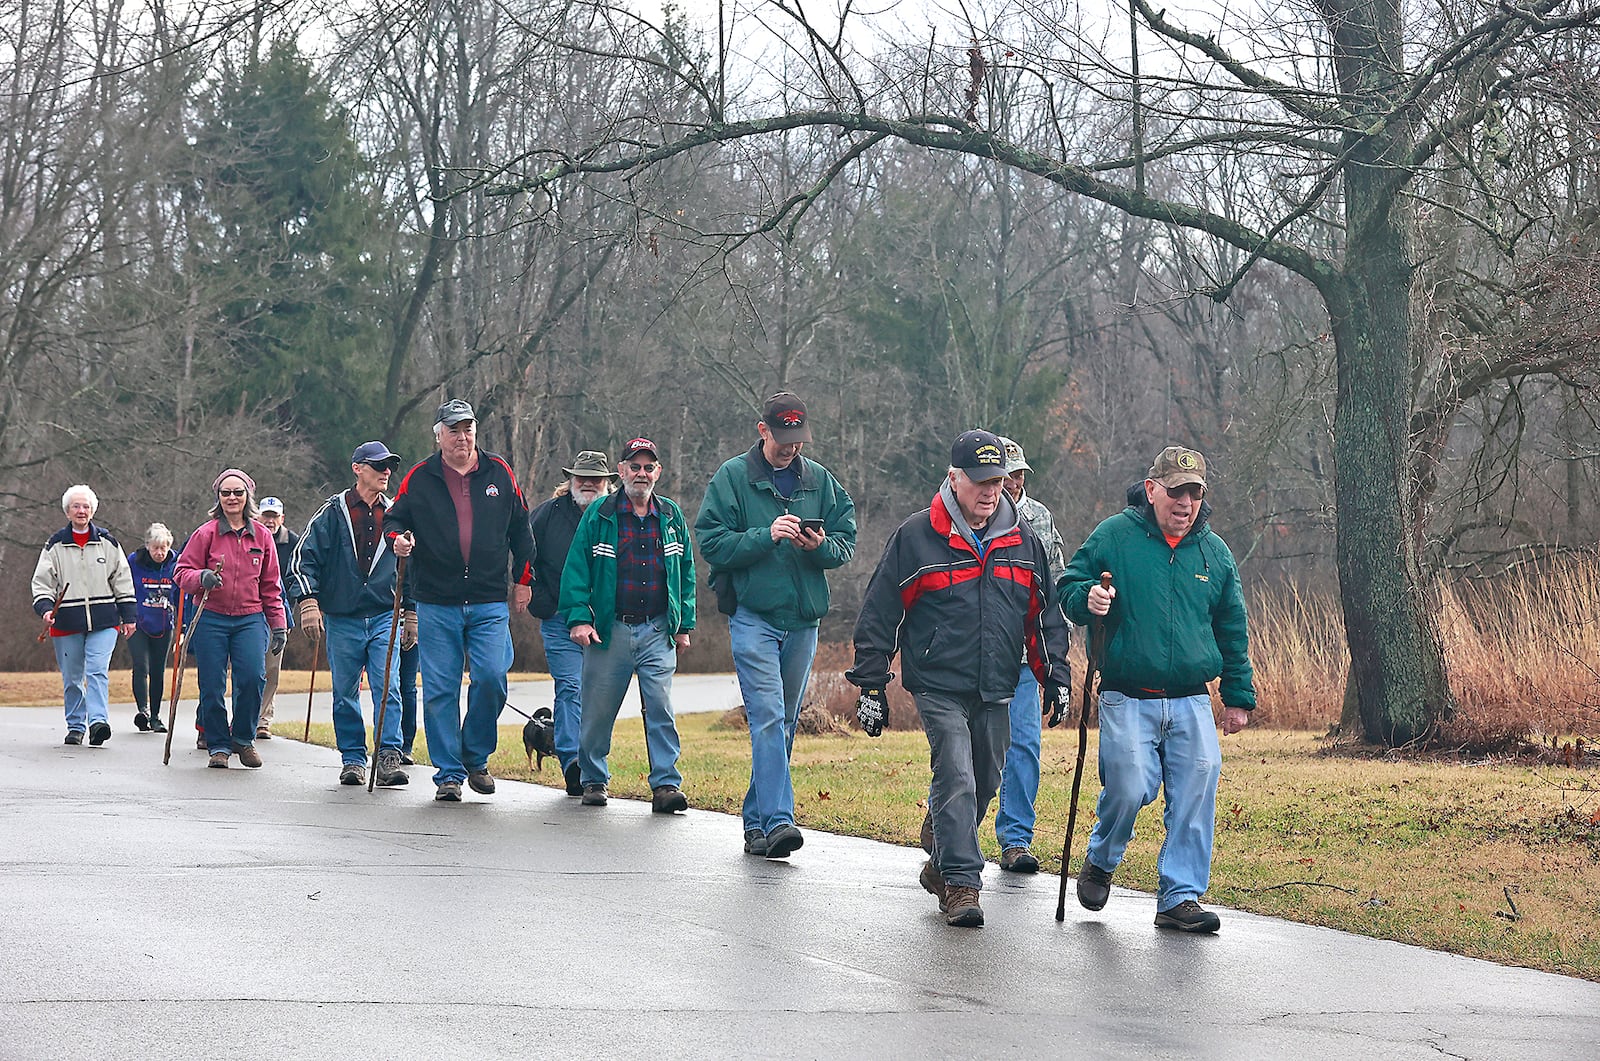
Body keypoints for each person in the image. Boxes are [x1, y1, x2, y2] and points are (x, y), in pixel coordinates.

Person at [847, 430, 1071, 927]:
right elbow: (880, 611)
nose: (991, 492)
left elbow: (1044, 616)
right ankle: (962, 886)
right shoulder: (916, 536)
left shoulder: (1024, 539)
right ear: (954, 478)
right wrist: (871, 684)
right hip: (938, 681)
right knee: (957, 772)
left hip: (996, 683)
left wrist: (1055, 675)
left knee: (987, 777)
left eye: (997, 481)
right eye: (980, 482)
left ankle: (941, 854)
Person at [1059, 445, 1256, 934]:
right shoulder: (1116, 536)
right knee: (1128, 786)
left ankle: (1179, 897)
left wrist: (1237, 696)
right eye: (1176, 492)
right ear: (1152, 490)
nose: (1185, 503)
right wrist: (1088, 598)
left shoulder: (1214, 551)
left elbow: (1232, 625)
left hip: (1191, 695)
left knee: (1198, 784)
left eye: (1194, 493)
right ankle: (1102, 859)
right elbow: (1068, 584)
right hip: (1127, 693)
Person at [695, 392, 857, 858]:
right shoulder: (732, 478)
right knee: (767, 716)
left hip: (803, 620)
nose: (792, 448)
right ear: (762, 430)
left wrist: (818, 547)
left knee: (783, 723)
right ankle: (781, 820)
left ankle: (755, 823)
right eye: (783, 438)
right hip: (753, 616)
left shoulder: (820, 481)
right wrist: (763, 537)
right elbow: (712, 542)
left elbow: (846, 541)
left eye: (799, 439)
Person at [387, 399, 535, 802]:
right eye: (453, 429)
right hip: (437, 600)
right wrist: (398, 540)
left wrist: (523, 579)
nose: (462, 436)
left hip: (488, 599)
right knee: (440, 688)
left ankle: (475, 755)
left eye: (467, 428)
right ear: (438, 435)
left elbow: (521, 528)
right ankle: (449, 773)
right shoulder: (419, 477)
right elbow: (395, 519)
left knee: (491, 677)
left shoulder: (499, 471)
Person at [559, 437, 695, 812]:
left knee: (661, 707)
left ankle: (666, 784)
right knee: (599, 710)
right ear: (621, 472)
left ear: (658, 473)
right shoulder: (600, 514)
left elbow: (685, 574)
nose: (641, 473)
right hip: (609, 630)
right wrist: (579, 618)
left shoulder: (671, 516)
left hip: (657, 630)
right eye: (634, 466)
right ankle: (593, 778)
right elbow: (576, 569)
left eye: (648, 467)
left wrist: (683, 624)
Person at [287, 442, 411, 788]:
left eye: (390, 466)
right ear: (358, 468)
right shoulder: (332, 513)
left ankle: (387, 755)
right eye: (379, 466)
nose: (387, 472)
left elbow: (412, 567)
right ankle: (353, 757)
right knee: (345, 691)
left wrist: (411, 612)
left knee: (389, 687)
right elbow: (302, 559)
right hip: (343, 617)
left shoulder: (397, 514)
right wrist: (308, 601)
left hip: (386, 613)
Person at [174, 469, 288, 768]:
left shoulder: (262, 536)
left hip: (250, 618)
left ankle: (243, 738)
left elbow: (271, 585)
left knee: (252, 678)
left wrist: (278, 625)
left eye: (238, 492)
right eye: (226, 493)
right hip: (211, 617)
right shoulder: (206, 533)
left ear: (248, 496)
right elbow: (181, 573)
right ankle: (218, 746)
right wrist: (202, 577)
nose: (232, 498)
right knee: (211, 684)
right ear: (219, 497)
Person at [991, 437, 1068, 874]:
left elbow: (1057, 586)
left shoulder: (1040, 518)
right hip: (976, 655)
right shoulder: (964, 515)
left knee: (1025, 745)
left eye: (1020, 474)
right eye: (1008, 473)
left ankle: (1016, 839)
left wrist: (1058, 663)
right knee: (971, 749)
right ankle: (948, 828)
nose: (1015, 482)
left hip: (1024, 656)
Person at [528, 449, 618, 796]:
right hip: (560, 620)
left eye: (596, 479)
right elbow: (524, 555)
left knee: (599, 693)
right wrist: (542, 600)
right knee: (571, 686)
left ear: (607, 482)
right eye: (582, 478)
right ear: (571, 480)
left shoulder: (617, 514)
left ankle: (594, 762)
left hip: (608, 622)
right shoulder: (547, 516)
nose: (589, 484)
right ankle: (572, 762)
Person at [31, 485, 138, 746]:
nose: (82, 511)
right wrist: (45, 609)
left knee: (97, 670)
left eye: (86, 506)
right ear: (67, 511)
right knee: (72, 677)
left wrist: (129, 615)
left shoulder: (108, 542)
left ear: (93, 510)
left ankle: (98, 722)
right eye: (76, 506)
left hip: (104, 620)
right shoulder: (55, 545)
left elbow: (122, 579)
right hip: (66, 622)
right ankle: (76, 725)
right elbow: (42, 583)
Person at [127, 523, 179, 734]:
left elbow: (181, 592)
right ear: (147, 546)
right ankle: (143, 711)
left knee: (158, 669)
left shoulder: (176, 564)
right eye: (155, 548)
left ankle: (156, 716)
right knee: (141, 666)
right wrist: (125, 615)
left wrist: (182, 624)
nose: (159, 553)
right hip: (137, 622)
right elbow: (124, 586)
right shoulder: (135, 561)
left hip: (164, 623)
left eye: (163, 548)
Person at [255, 496, 299, 739]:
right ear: (257, 516)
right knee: (250, 668)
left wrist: (287, 614)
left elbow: (296, 576)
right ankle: (244, 715)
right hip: (248, 611)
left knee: (272, 667)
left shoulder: (292, 542)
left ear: (282, 518)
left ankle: (263, 719)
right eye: (266, 516)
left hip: (278, 612)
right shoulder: (249, 536)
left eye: (274, 516)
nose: (269, 521)